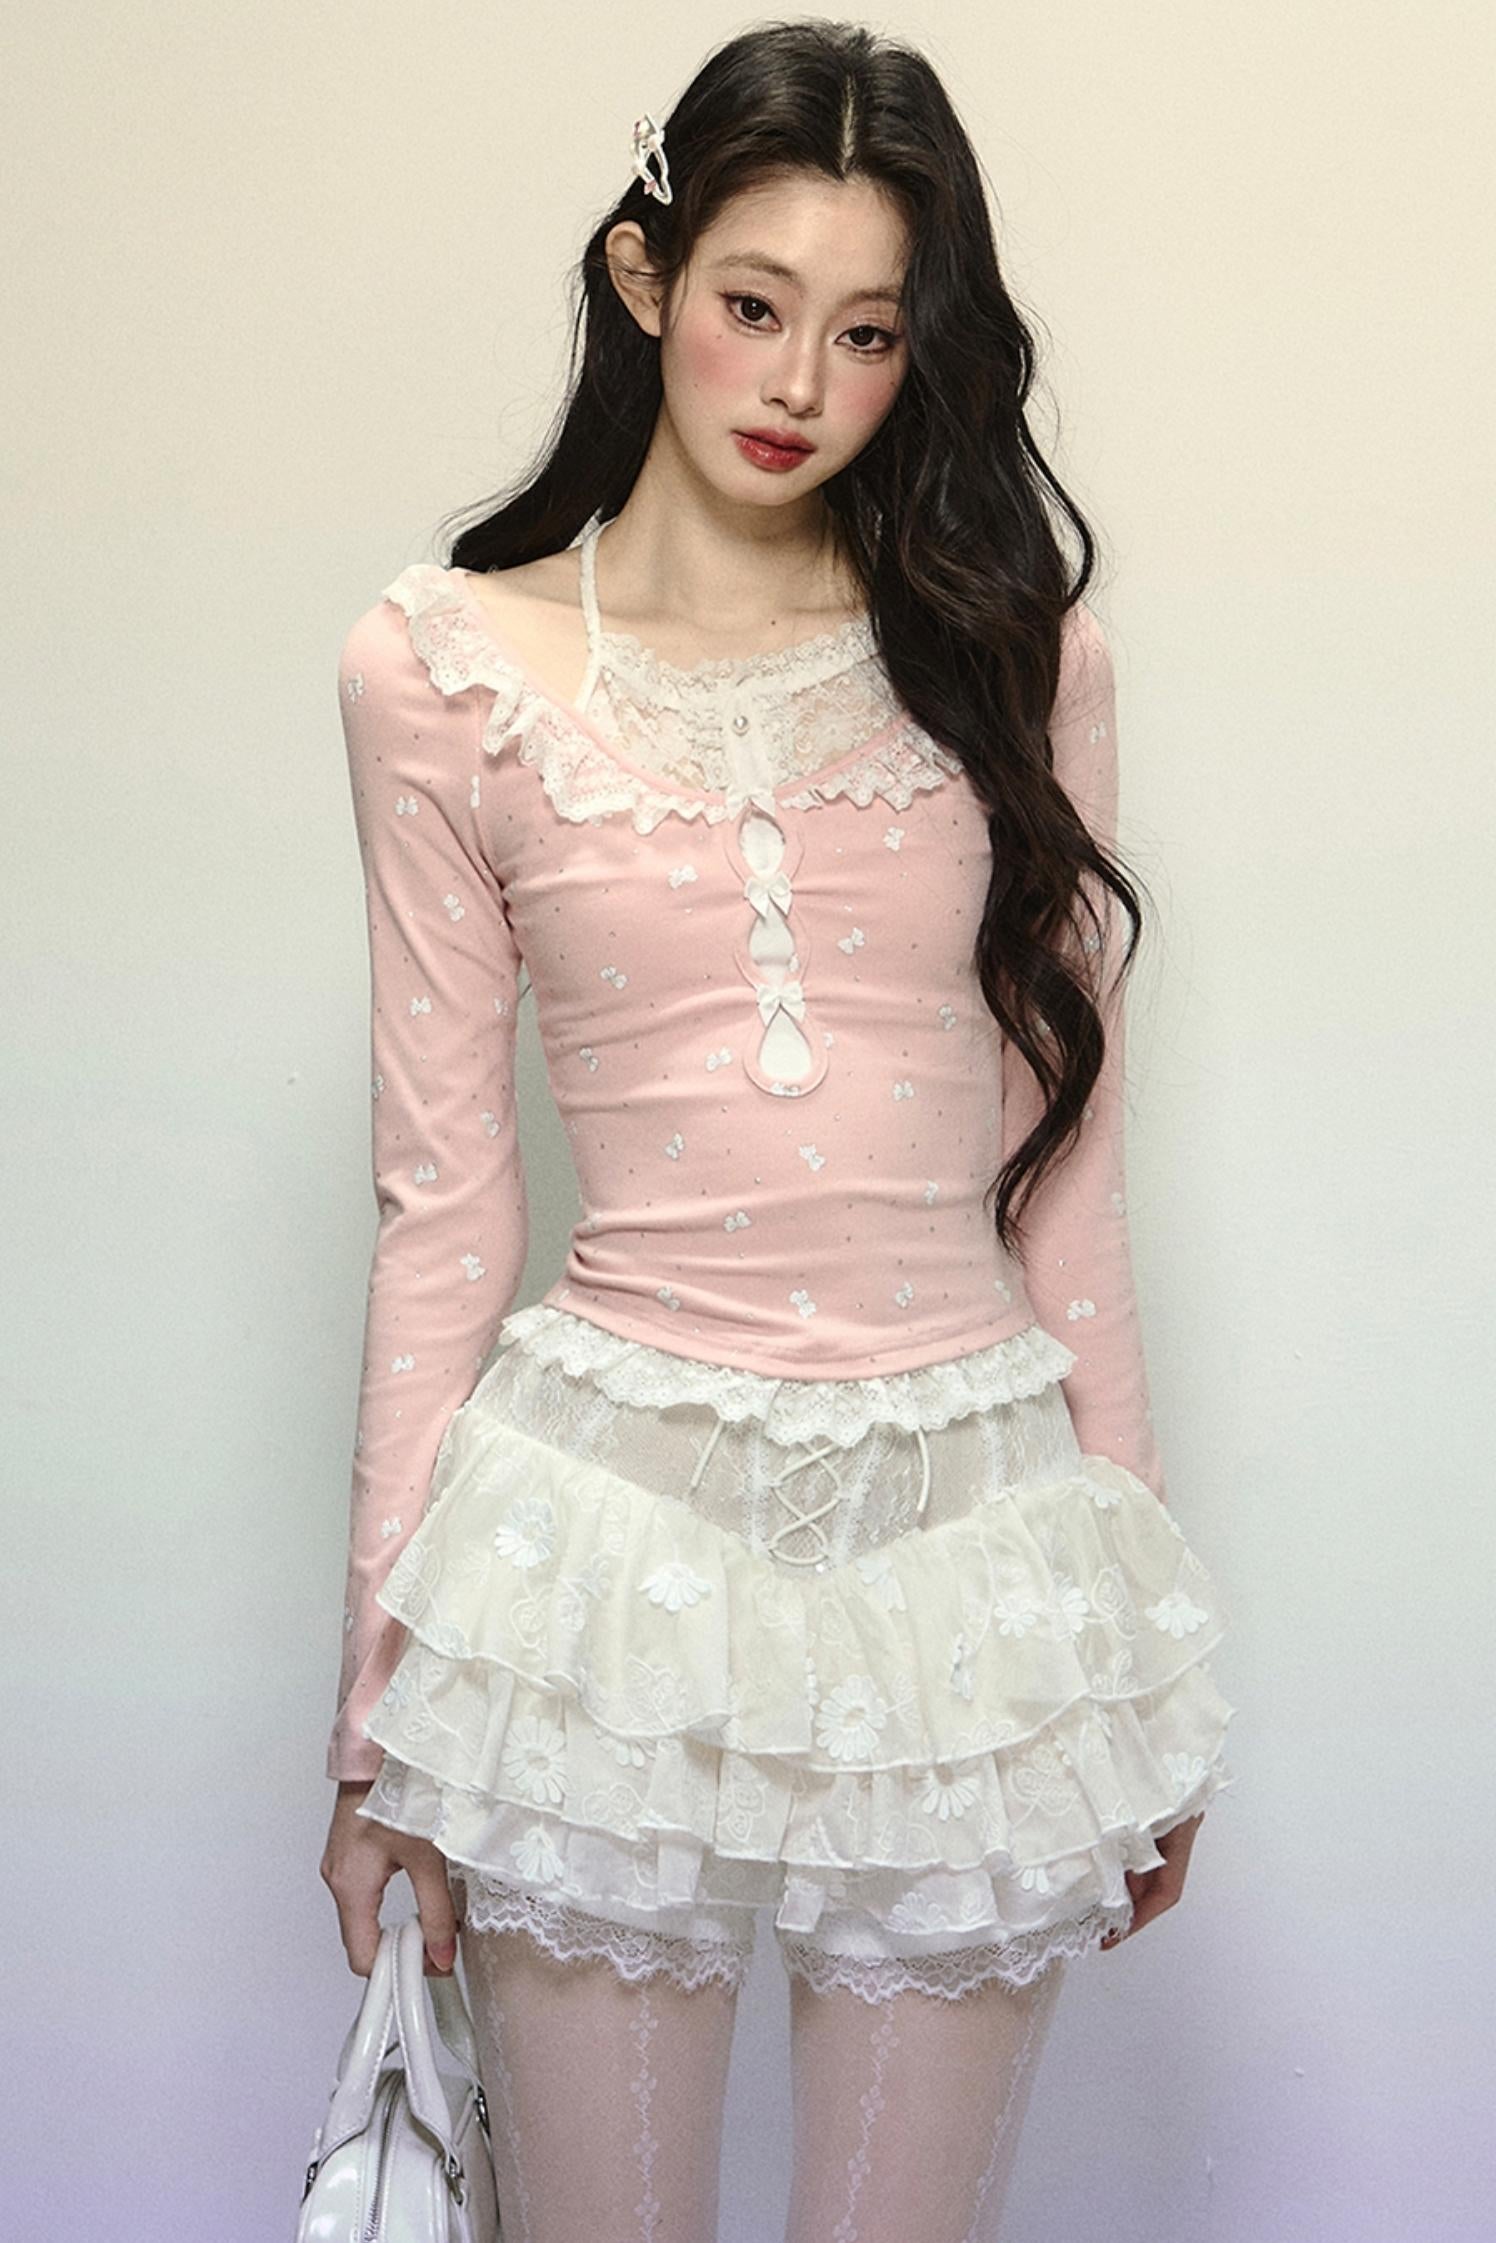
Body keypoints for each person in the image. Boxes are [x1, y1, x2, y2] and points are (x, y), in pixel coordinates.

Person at [318, 21, 1237, 2239]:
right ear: (644, 276)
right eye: (754, 302)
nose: (800, 383)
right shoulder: (437, 673)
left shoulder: (1018, 658)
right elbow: (443, 1208)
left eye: (869, 332)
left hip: (972, 1559)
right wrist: (379, 1723)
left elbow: (1071, 1170)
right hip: (592, 1560)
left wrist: (1126, 1655)